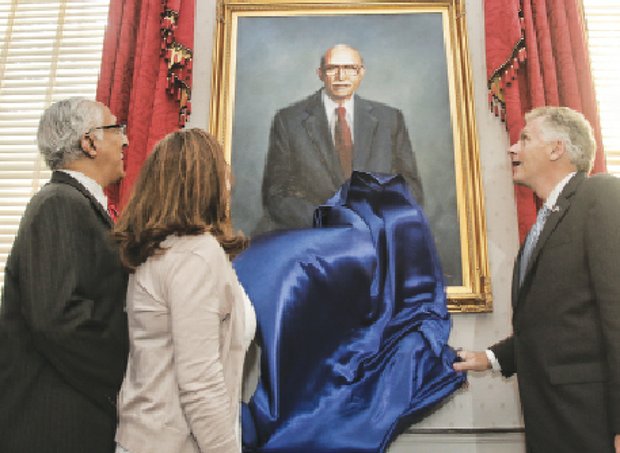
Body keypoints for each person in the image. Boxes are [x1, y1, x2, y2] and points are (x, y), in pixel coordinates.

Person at [454, 107, 620, 453]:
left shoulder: (600, 196)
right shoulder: (540, 227)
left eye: (525, 139)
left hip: (591, 420)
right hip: (551, 418)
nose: (513, 149)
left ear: (557, 148)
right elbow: (556, 322)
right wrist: (490, 357)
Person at [113, 129, 256, 453]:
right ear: (205, 182)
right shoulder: (196, 254)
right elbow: (200, 384)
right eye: (223, 171)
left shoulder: (160, 250)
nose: (230, 182)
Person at [0, 98, 129, 452]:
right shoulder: (59, 203)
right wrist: (129, 376)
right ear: (89, 143)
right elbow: (57, 319)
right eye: (116, 128)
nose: (125, 140)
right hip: (55, 427)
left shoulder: (75, 204)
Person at [258, 43, 423, 233]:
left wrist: (372, 220)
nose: (341, 76)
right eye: (332, 68)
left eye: (349, 68)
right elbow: (275, 196)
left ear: (361, 73)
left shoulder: (390, 119)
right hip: (312, 237)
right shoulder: (288, 121)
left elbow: (412, 189)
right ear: (320, 73)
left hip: (376, 236)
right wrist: (328, 219)